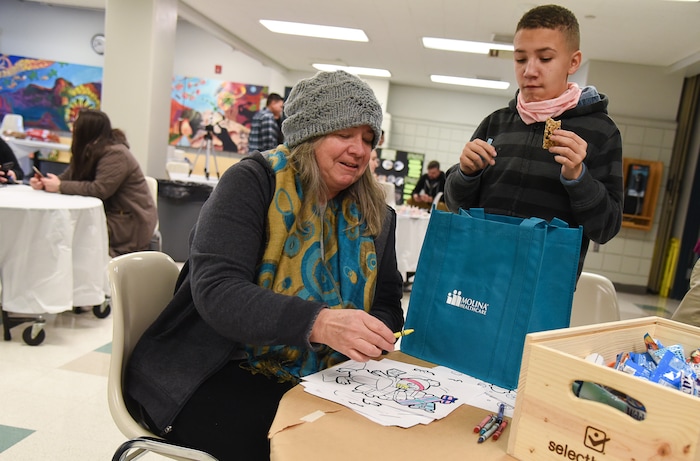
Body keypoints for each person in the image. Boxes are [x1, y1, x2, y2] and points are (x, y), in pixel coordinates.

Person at [125, 70, 404, 460]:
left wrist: (371, 333)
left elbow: (388, 303)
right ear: (309, 134)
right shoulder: (253, 182)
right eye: (344, 134)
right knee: (313, 449)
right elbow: (218, 292)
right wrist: (321, 323)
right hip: (212, 368)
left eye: (368, 139)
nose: (359, 150)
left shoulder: (376, 214)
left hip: (326, 375)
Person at [443, 4, 623, 276]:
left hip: (545, 282)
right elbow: (456, 203)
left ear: (573, 62)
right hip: (478, 271)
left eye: (545, 59)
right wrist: (465, 174)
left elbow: (606, 228)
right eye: (520, 59)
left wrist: (578, 177)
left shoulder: (601, 131)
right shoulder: (497, 122)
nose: (529, 71)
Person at [29, 109, 157, 257]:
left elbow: (99, 189)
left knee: (64, 231)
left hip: (127, 222)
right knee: (60, 227)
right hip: (110, 216)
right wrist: (45, 182)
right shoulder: (89, 151)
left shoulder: (116, 154)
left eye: (76, 126)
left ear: (85, 130)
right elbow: (68, 177)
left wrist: (59, 186)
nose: (72, 130)